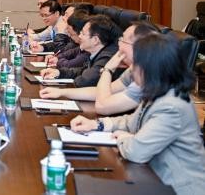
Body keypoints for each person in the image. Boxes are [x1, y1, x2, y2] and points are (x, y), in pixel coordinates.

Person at [70, 34, 205, 195]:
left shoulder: (172, 106)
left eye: (136, 64)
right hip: (154, 180)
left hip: (178, 189)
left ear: (150, 68)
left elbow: (136, 152)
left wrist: (125, 138)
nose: (131, 70)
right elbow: (131, 121)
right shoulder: (158, 92)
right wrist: (97, 124)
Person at [40, 22, 159, 115]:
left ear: (139, 47)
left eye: (123, 40)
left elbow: (102, 106)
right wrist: (61, 92)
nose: (118, 44)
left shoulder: (150, 75)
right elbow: (99, 91)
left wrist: (108, 70)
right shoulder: (134, 70)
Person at [40, 15, 121, 87]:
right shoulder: (97, 53)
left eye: (83, 33)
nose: (79, 36)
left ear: (95, 40)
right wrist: (59, 73)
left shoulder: (106, 57)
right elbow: (82, 71)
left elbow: (84, 81)